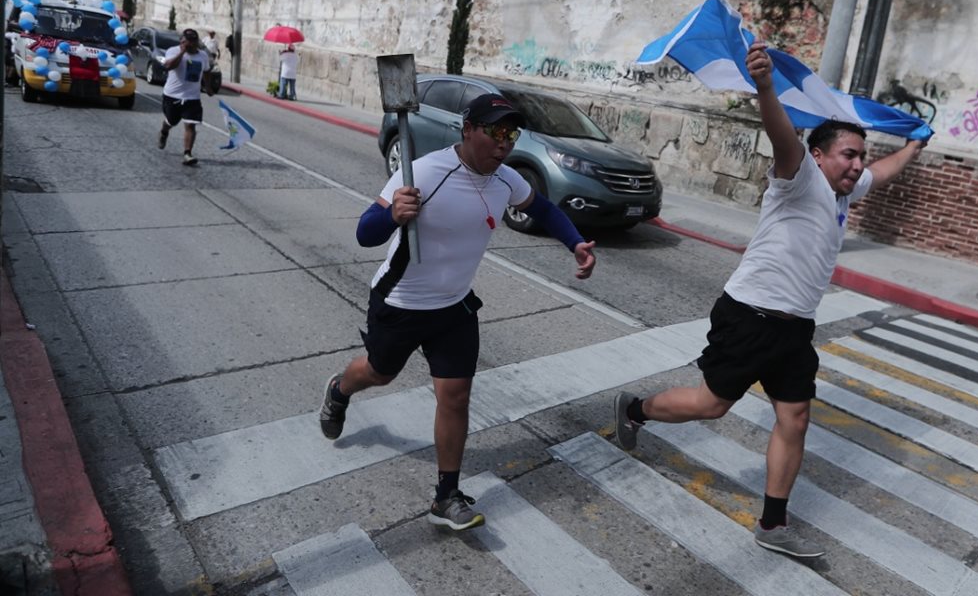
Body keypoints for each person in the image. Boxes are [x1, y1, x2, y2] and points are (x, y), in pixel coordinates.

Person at [613, 41, 925, 560]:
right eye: (848, 155)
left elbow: (883, 172)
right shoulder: (797, 178)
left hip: (795, 327)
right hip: (750, 316)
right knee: (713, 405)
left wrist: (914, 145)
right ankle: (636, 409)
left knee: (795, 416)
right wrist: (763, 87)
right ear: (819, 154)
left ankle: (773, 524)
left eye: (860, 158)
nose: (856, 166)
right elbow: (782, 137)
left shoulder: (845, 190)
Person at [320, 93, 598, 531]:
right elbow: (364, 233)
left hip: (454, 307)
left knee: (456, 396)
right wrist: (394, 214)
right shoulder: (425, 173)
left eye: (511, 133)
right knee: (379, 373)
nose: (504, 141)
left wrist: (575, 242)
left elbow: (541, 208)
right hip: (401, 303)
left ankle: (446, 496)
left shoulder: (506, 179)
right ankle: (339, 389)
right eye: (495, 130)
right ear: (468, 129)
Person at [158, 27, 212, 166]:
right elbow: (169, 66)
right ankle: (164, 132)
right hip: (172, 95)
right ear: (182, 41)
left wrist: (208, 87)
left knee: (190, 125)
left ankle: (187, 153)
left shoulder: (203, 56)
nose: (192, 45)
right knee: (171, 122)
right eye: (188, 42)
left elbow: (206, 71)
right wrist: (182, 52)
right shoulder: (173, 51)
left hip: (192, 97)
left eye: (194, 42)